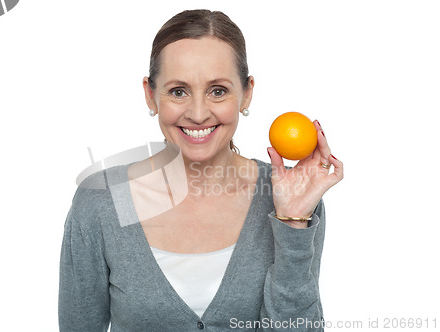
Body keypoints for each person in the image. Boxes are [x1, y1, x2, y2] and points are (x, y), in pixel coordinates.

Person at [59, 9, 343, 332]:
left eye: (217, 91)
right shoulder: (102, 202)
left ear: (246, 93)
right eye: (178, 91)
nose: (197, 113)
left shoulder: (289, 195)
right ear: (151, 96)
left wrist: (292, 221)